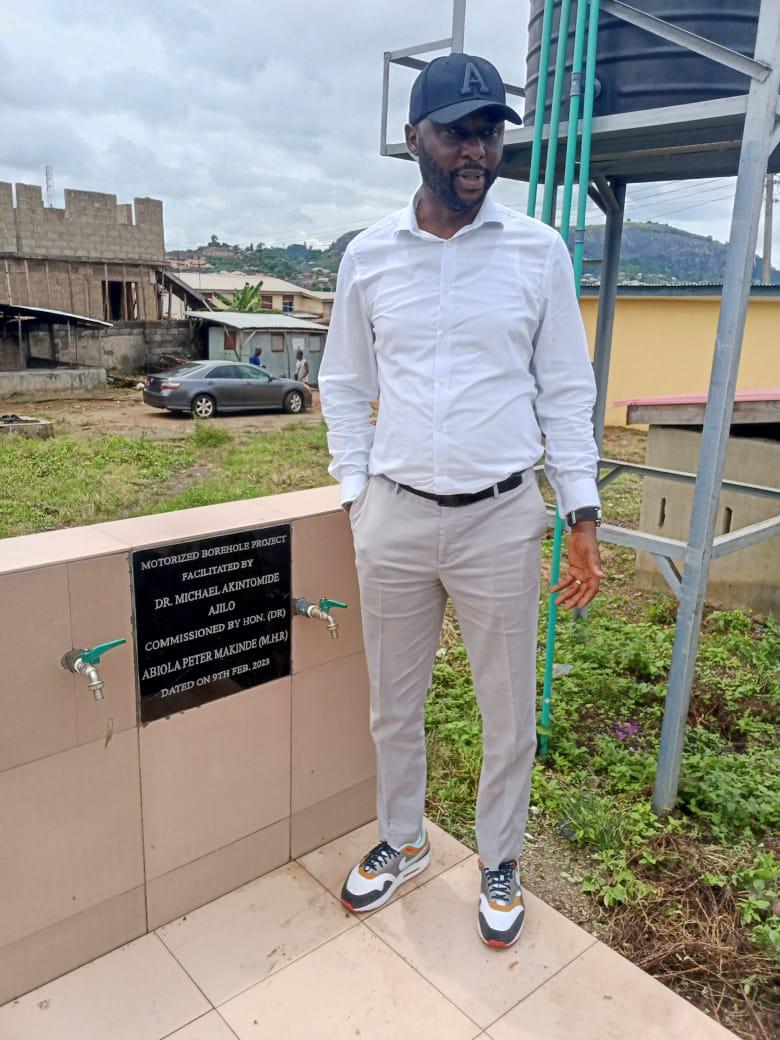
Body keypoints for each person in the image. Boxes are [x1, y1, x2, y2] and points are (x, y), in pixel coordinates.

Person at [319, 52, 603, 949]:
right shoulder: (368, 256)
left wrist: (581, 510)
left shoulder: (538, 252)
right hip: (396, 516)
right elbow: (341, 380)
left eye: (489, 131)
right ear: (415, 140)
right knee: (393, 703)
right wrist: (357, 491)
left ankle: (499, 859)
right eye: (459, 131)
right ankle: (401, 841)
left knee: (506, 709)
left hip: (501, 518)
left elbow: (565, 388)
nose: (478, 149)